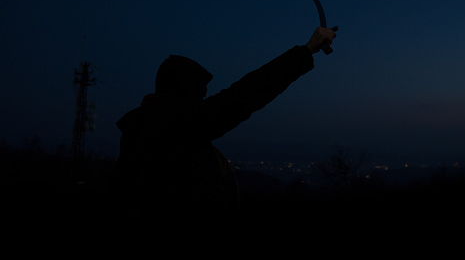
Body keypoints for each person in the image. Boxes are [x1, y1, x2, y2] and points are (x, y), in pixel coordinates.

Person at [108, 27, 337, 216]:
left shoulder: (146, 129)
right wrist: (307, 50)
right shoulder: (177, 127)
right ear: (184, 89)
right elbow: (247, 93)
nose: (204, 98)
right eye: (199, 91)